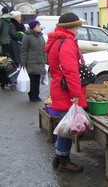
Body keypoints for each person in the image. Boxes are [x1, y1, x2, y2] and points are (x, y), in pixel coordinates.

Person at [45, 12, 87, 172]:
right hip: (66, 91)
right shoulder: (67, 42)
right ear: (70, 27)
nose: (77, 31)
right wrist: (75, 94)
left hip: (59, 87)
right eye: (76, 27)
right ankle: (64, 160)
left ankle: (59, 156)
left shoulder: (57, 41)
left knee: (64, 125)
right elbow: (71, 71)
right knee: (68, 128)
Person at [20, 20, 46, 102]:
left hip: (39, 61)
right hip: (30, 61)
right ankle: (31, 96)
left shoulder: (41, 36)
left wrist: (44, 60)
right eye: (38, 26)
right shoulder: (27, 37)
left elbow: (43, 50)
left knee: (37, 79)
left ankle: (37, 95)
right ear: (33, 27)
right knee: (32, 80)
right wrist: (23, 63)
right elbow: (23, 50)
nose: (39, 27)